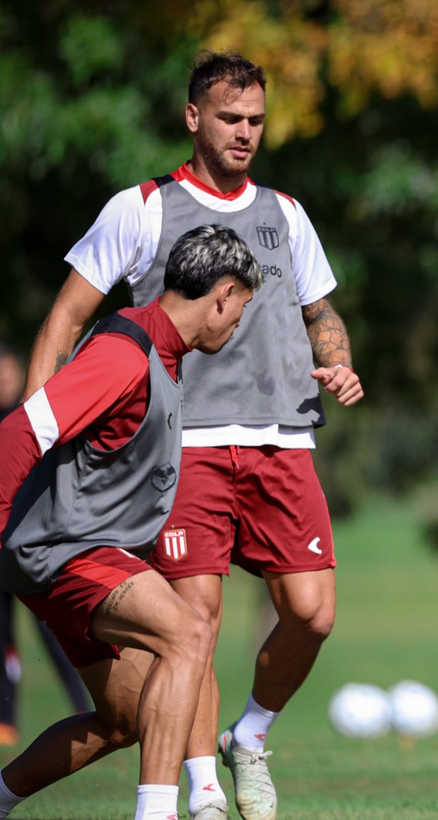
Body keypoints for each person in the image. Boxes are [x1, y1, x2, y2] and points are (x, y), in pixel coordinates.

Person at [23, 51, 364, 820]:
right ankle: (204, 790)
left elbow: (321, 314)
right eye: (230, 119)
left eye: (256, 121)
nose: (245, 134)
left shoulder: (286, 212)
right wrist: (40, 430)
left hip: (285, 439)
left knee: (312, 611)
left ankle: (252, 734)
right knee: (196, 619)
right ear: (193, 118)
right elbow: (66, 319)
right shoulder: (140, 208)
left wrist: (337, 363)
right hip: (186, 446)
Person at [0, 225, 261, 820]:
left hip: (65, 554)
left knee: (123, 718)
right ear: (221, 295)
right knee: (190, 632)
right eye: (241, 309)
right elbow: (17, 432)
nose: (238, 324)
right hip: (62, 549)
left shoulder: (160, 352)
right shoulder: (126, 353)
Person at [0, 345, 91, 746]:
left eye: (7, 372)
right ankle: (6, 720)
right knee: (2, 638)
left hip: (35, 545)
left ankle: (86, 707)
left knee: (56, 632)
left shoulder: (37, 422)